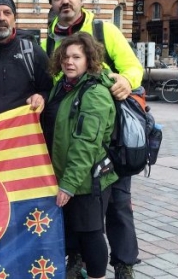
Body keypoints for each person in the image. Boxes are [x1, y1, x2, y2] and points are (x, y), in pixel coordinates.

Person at [43, 0, 144, 278]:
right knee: (79, 214)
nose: (65, 1)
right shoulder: (48, 38)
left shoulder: (104, 31)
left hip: (109, 141)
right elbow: (48, 82)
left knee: (118, 206)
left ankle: (124, 264)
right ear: (51, 3)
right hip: (72, 138)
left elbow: (133, 67)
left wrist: (126, 80)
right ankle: (76, 260)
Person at [43, 31, 117, 279]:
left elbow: (87, 144)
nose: (69, 62)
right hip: (66, 176)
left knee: (91, 233)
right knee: (73, 231)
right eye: (65, 57)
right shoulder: (63, 87)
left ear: (89, 60)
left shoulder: (94, 93)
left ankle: (97, 275)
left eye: (76, 57)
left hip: (87, 180)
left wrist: (68, 185)